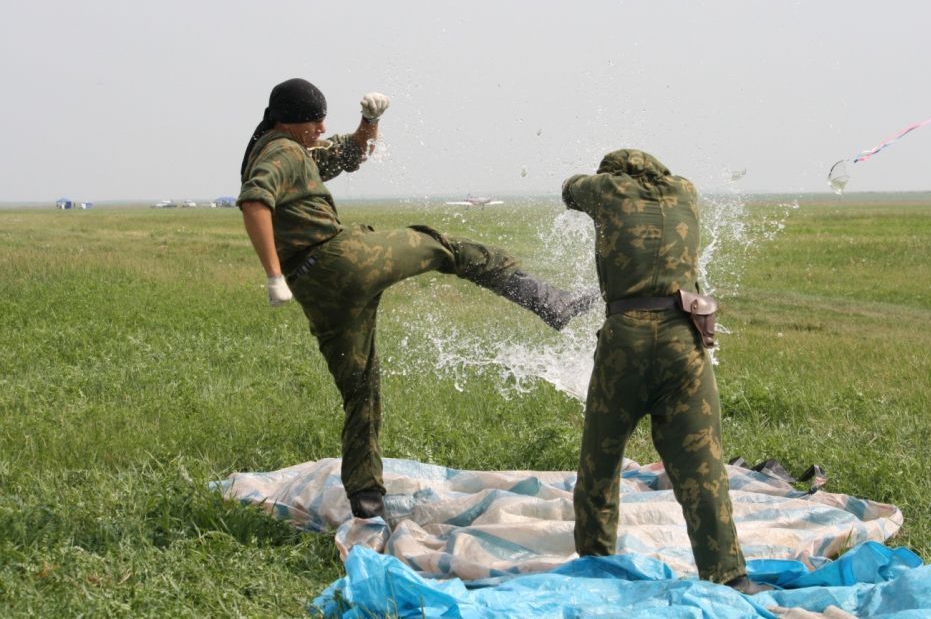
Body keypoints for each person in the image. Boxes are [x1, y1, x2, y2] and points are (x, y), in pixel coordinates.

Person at [237, 78, 595, 520]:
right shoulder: (281, 152)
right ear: (289, 121)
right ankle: (548, 300)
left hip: (319, 292)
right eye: (315, 119)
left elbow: (351, 154)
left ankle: (366, 498)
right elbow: (255, 201)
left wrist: (368, 123)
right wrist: (272, 274)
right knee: (443, 246)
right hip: (343, 261)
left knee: (360, 389)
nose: (323, 126)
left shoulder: (295, 150)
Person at [562, 149, 769, 594]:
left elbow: (569, 190)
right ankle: (730, 575)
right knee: (704, 466)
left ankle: (596, 565)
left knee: (600, 462)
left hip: (626, 342)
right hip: (684, 339)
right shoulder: (686, 190)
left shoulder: (605, 189)